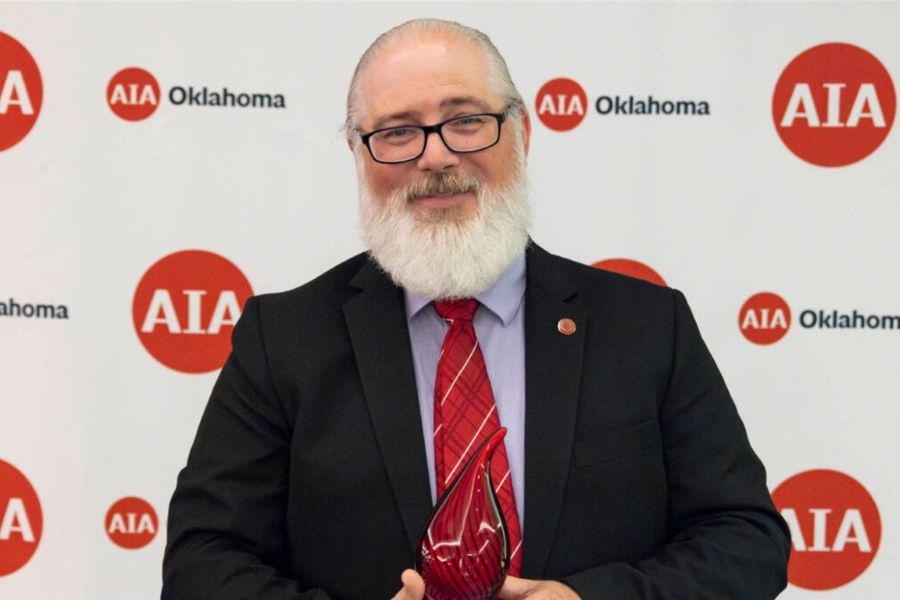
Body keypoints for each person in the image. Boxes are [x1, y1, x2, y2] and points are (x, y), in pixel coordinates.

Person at [162, 19, 790, 600]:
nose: (434, 157)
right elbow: (202, 561)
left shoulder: (648, 327)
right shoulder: (285, 338)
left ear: (522, 132)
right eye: (398, 131)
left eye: (464, 120)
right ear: (358, 153)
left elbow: (746, 541)